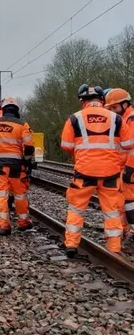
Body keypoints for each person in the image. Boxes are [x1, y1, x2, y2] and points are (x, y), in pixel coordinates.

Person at [61, 84, 134, 256]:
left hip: (84, 172)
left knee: (76, 208)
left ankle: (71, 244)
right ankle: (114, 248)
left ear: (82, 101)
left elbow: (66, 145)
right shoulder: (116, 118)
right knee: (112, 211)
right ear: (102, 100)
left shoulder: (74, 118)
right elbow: (128, 144)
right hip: (111, 172)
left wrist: (83, 150)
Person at [0, 97, 35, 235]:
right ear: (17, 109)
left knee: (1, 194)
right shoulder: (23, 125)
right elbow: (29, 146)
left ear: (2, 109)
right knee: (19, 194)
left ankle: (4, 225)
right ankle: (23, 222)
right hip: (17, 165)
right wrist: (27, 161)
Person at [103, 88, 134, 238]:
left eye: (115, 107)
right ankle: (122, 230)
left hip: (130, 167)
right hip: (125, 167)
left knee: (129, 202)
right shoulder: (124, 120)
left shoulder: (131, 120)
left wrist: (130, 168)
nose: (113, 111)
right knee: (123, 201)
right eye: (111, 108)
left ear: (126, 104)